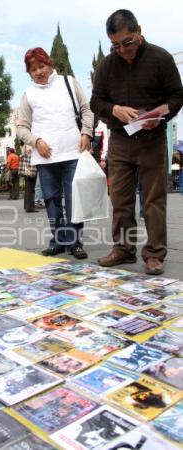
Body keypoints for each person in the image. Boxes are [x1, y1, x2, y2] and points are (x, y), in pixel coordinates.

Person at [90, 9, 183, 275]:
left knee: (154, 199)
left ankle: (154, 254)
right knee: (120, 198)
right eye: (115, 45)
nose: (122, 50)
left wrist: (160, 115)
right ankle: (123, 249)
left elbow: (177, 96)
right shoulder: (107, 65)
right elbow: (96, 102)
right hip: (120, 140)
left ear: (138, 31)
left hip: (152, 138)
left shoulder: (161, 58)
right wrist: (114, 109)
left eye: (127, 42)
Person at [17, 47, 94, 259]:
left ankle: (75, 242)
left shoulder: (68, 82)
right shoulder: (28, 94)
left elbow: (87, 109)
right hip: (45, 156)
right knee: (51, 200)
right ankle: (58, 241)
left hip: (73, 153)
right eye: (33, 69)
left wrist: (86, 133)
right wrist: (36, 141)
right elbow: (22, 128)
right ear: (29, 73)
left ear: (50, 65)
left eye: (41, 66)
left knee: (73, 200)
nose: (38, 72)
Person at [19, 141, 38, 212]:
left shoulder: (23, 145)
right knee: (30, 188)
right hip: (31, 168)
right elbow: (31, 155)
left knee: (28, 188)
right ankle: (30, 207)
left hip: (27, 168)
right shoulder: (28, 145)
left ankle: (27, 206)